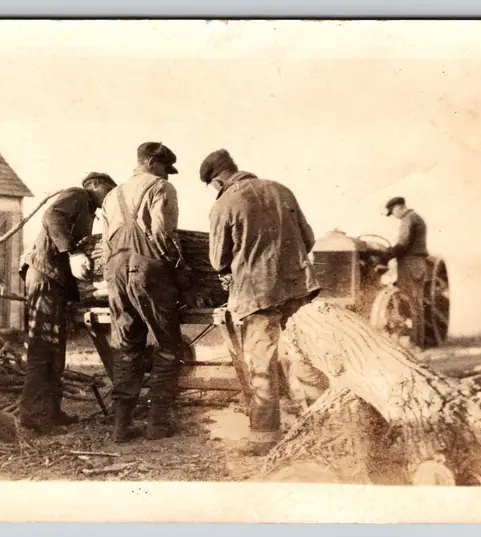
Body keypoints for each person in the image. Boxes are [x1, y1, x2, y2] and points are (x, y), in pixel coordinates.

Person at [201, 149, 320, 456]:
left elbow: (217, 261)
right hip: (298, 287)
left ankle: (265, 438)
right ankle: (323, 428)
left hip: (257, 295)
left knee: (262, 364)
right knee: (306, 356)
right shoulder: (281, 190)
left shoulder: (224, 204)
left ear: (217, 182)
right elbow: (308, 239)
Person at [99, 142, 187, 443]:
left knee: (127, 347)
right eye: (164, 167)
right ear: (151, 162)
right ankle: (158, 422)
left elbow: (105, 244)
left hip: (115, 272)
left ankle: (121, 425)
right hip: (148, 269)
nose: (167, 175)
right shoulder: (160, 187)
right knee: (168, 345)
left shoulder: (112, 195)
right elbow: (164, 233)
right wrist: (178, 268)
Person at [18, 172, 117, 433]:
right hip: (46, 277)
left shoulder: (89, 209)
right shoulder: (78, 195)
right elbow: (52, 216)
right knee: (43, 347)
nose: (110, 197)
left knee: (55, 349)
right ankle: (35, 417)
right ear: (95, 185)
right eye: (108, 190)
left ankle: (51, 412)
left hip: (55, 282)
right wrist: (72, 252)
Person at [384, 196, 429, 348]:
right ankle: (418, 342)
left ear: (399, 208)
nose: (394, 216)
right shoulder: (416, 218)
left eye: (393, 212)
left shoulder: (408, 219)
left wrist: (387, 254)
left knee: (409, 302)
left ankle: (414, 343)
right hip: (418, 263)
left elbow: (403, 244)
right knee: (416, 303)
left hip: (410, 263)